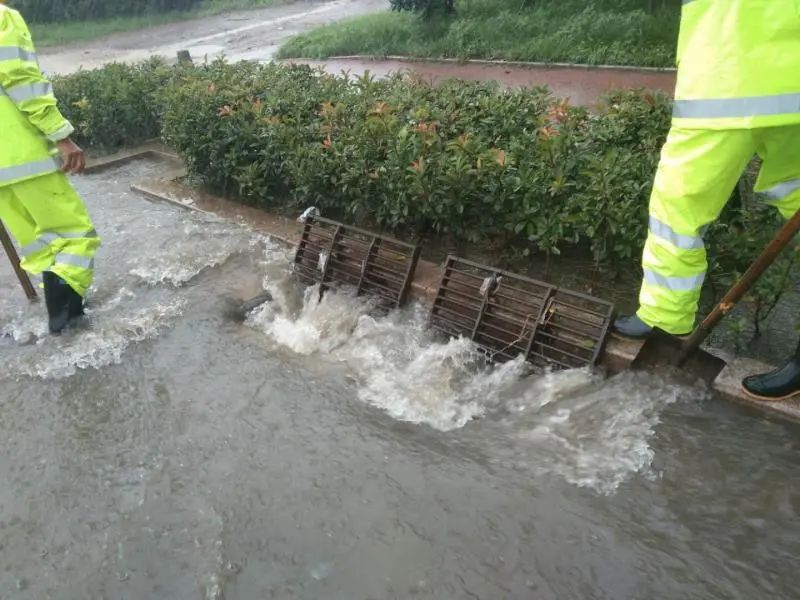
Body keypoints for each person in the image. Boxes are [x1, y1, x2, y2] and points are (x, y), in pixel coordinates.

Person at [613, 1, 800, 400]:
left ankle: (666, 314)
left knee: (678, 205)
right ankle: (665, 315)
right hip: (731, 69)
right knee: (678, 204)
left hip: (740, 71)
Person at [0, 1, 99, 334]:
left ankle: (66, 317)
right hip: (22, 157)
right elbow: (23, 83)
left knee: (41, 246)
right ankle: (66, 324)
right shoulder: (3, 18)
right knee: (75, 238)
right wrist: (62, 136)